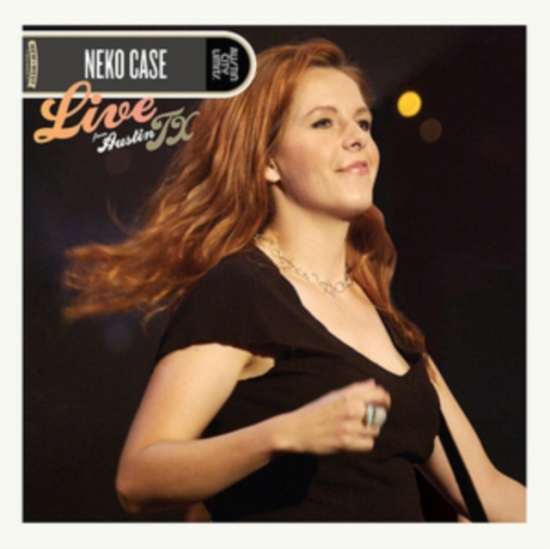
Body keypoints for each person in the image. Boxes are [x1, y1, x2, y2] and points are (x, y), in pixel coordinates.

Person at [64, 39, 526, 522]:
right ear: (268, 161)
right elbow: (139, 478)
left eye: (363, 123)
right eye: (324, 122)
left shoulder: (385, 319)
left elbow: (489, 491)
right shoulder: (241, 291)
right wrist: (288, 433)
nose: (357, 137)